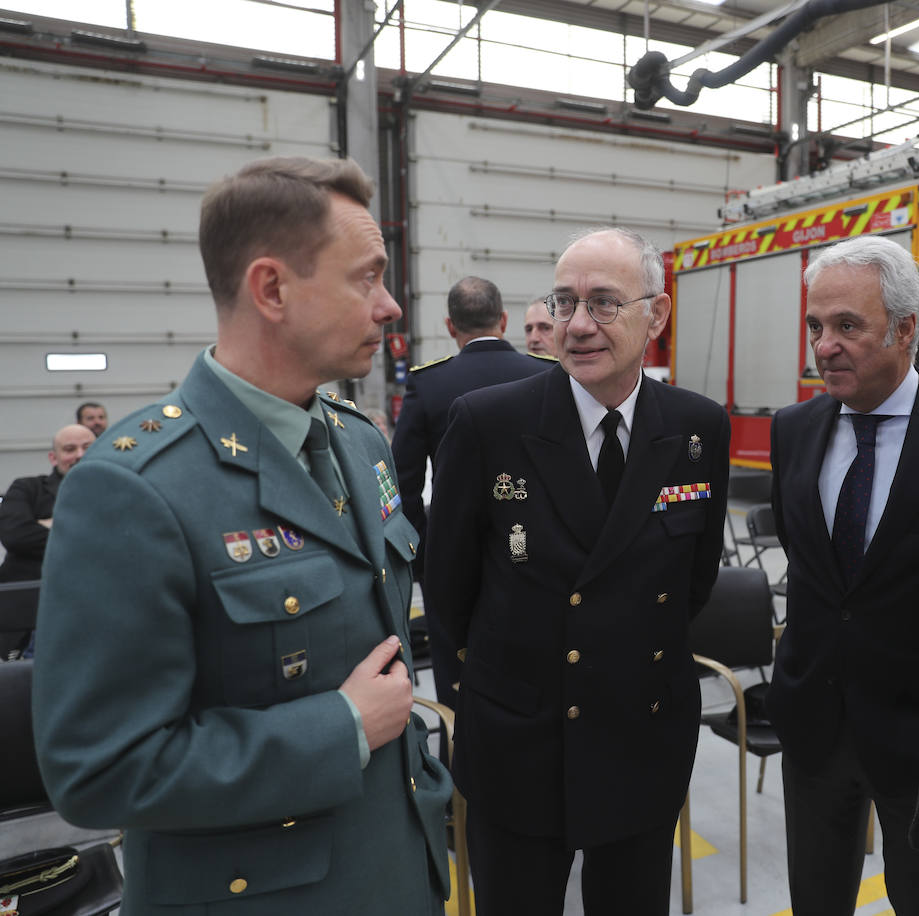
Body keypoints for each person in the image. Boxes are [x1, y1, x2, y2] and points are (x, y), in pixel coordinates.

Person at [32, 156, 452, 915]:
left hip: (392, 869)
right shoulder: (134, 489)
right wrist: (343, 727)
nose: (390, 306)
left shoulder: (360, 443)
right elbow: (101, 769)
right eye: (366, 277)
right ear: (272, 289)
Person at [423, 226, 730, 916]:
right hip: (521, 745)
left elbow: (694, 578)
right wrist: (479, 703)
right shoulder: (489, 423)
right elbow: (447, 586)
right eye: (564, 304)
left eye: (603, 304)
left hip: (642, 737)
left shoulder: (696, 428)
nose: (579, 326)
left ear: (657, 315)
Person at [766, 236, 919, 916]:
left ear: (905, 327)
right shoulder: (793, 430)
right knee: (816, 901)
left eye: (847, 326)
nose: (824, 346)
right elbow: (811, 566)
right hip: (815, 724)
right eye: (816, 327)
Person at [392, 275, 551, 708]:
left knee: (460, 690)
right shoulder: (547, 376)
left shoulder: (428, 384)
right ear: (503, 320)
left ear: (449, 326)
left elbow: (401, 484)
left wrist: (425, 554)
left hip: (456, 560)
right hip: (537, 554)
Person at [0, 424, 94, 582]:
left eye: (88, 447)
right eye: (70, 449)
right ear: (53, 458)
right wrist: (95, 535)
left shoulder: (118, 492)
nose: (80, 454)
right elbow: (16, 537)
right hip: (29, 590)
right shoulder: (26, 488)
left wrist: (53, 524)